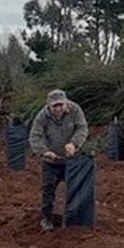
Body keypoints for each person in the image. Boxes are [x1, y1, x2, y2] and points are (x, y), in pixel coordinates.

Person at [28, 89, 89, 231]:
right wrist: (44, 151)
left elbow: (82, 127)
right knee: (48, 190)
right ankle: (46, 219)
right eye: (54, 106)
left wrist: (74, 144)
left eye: (61, 105)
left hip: (71, 161)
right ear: (49, 105)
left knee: (76, 189)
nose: (58, 108)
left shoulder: (75, 110)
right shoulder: (42, 116)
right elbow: (34, 136)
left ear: (66, 102)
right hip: (51, 162)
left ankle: (75, 219)